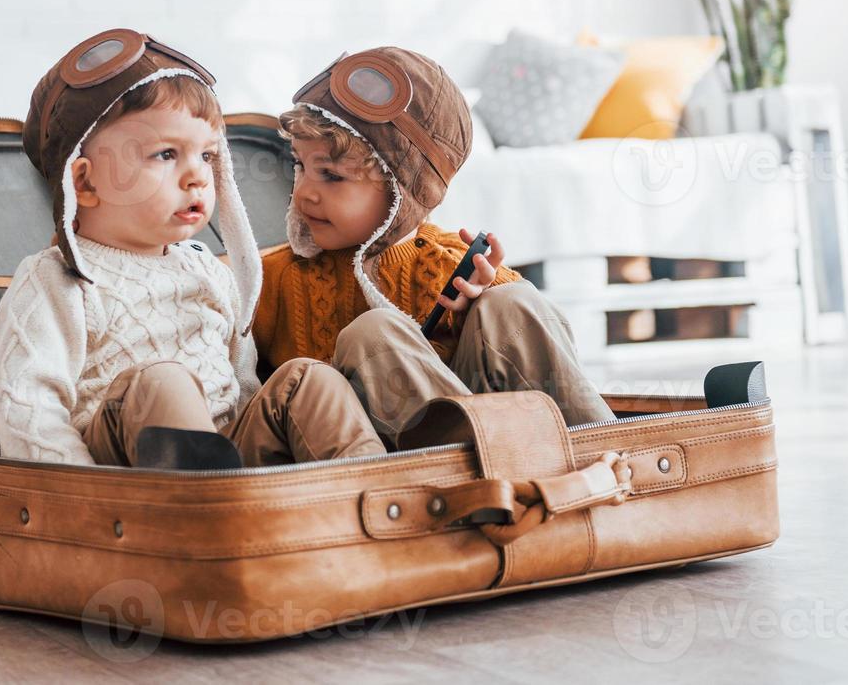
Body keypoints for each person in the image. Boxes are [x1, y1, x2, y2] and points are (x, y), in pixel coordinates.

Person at [0, 29, 385, 470]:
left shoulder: (209, 272)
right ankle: (207, 518)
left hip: (227, 460)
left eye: (208, 156)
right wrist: (81, 500)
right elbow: (26, 405)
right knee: (163, 381)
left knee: (305, 378)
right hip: (125, 477)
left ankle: (375, 498)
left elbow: (242, 381)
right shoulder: (57, 282)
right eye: (165, 154)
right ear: (83, 182)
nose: (197, 177)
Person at [254, 46, 616, 439]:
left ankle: (610, 457)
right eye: (299, 166)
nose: (304, 192)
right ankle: (487, 478)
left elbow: (530, 346)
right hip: (394, 469)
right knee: (373, 333)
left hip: (502, 434)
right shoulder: (273, 278)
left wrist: (470, 315)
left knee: (513, 302)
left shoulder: (451, 264)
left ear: (403, 189)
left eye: (332, 176)